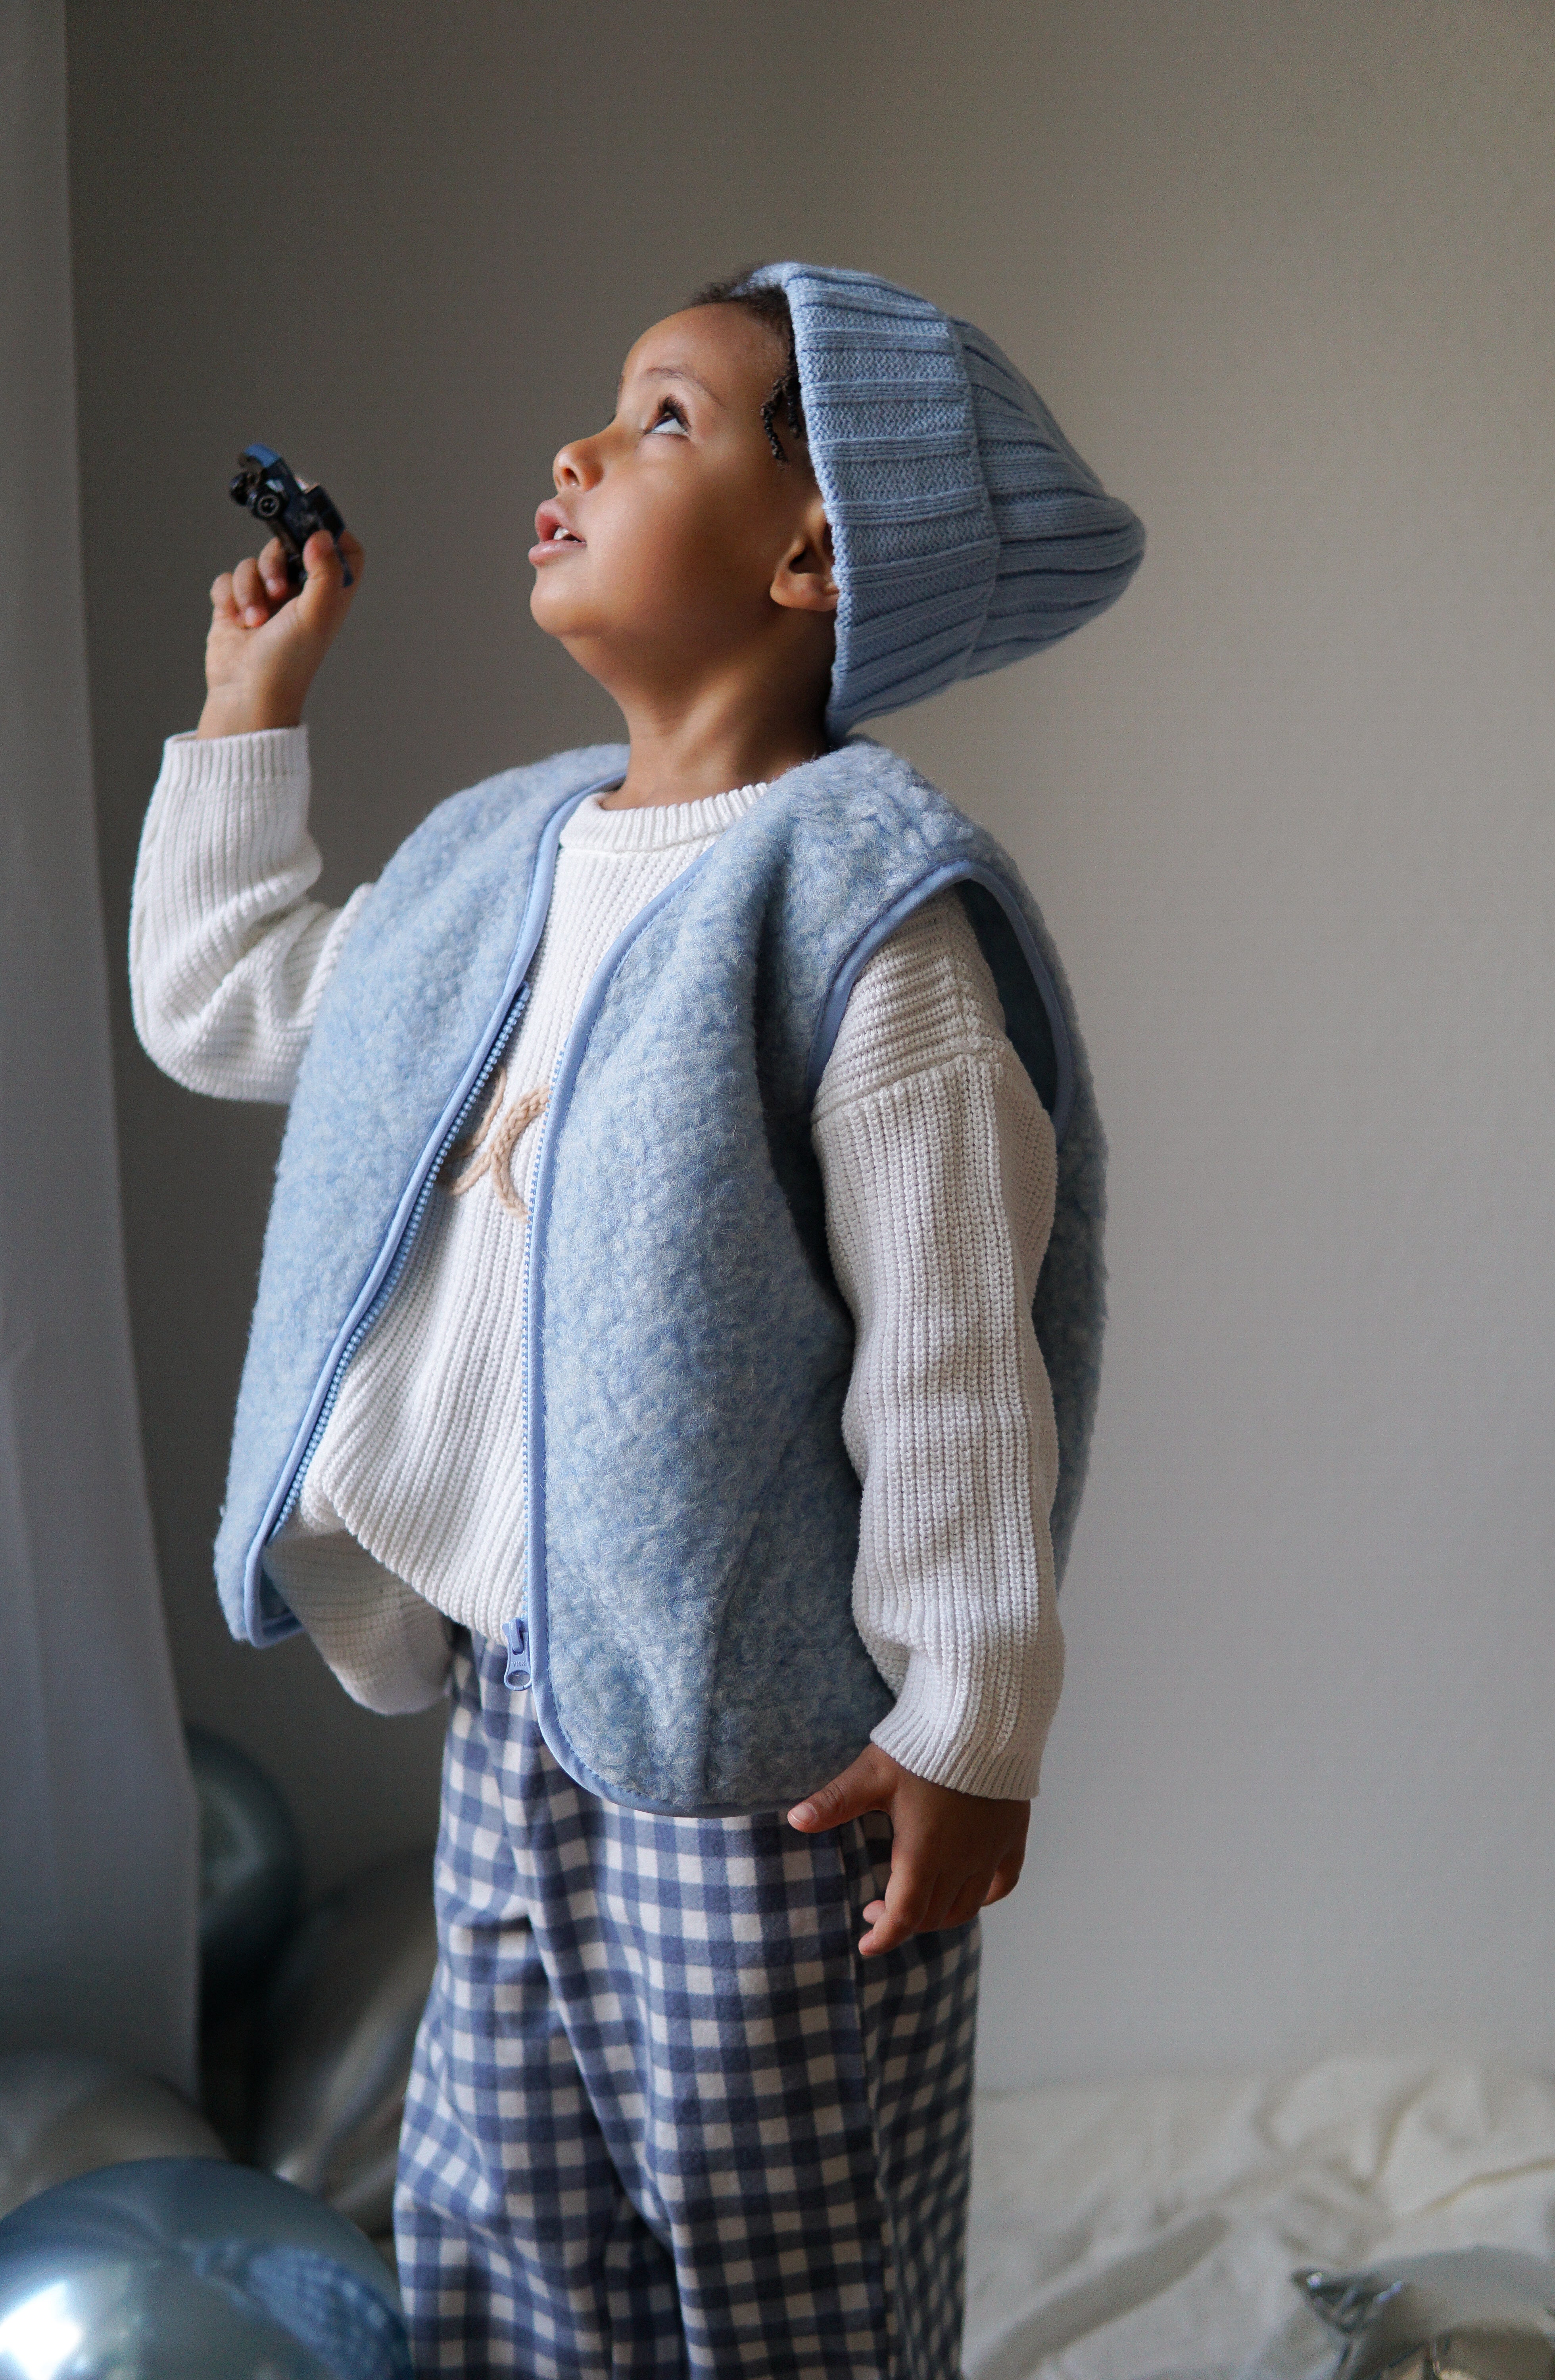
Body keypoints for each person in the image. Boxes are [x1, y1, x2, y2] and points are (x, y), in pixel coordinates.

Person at [131, 262, 1143, 2378]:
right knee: (503, 2208)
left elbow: (956, 1351)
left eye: (666, 419)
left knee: (777, 2251)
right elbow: (227, 1006)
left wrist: (971, 1715)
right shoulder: (503, 859)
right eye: (609, 409)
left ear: (816, 553)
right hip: (524, 1700)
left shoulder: (858, 905)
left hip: (769, 1746)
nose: (579, 450)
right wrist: (249, 713)